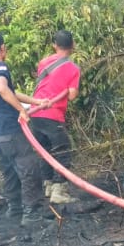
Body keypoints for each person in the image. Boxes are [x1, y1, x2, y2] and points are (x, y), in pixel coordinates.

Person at [0, 30, 50, 226]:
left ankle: (15, 209)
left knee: (9, 170)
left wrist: (36, 101)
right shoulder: (1, 66)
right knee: (29, 168)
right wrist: (22, 111)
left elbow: (10, 91)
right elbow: (3, 89)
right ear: (2, 48)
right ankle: (32, 215)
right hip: (11, 129)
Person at [30, 30, 81, 205]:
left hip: (35, 113)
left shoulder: (43, 63)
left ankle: (48, 186)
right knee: (63, 151)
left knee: (45, 151)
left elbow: (46, 84)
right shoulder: (73, 68)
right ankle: (59, 191)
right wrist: (70, 88)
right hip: (52, 114)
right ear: (72, 45)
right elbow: (72, 95)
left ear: (55, 45)